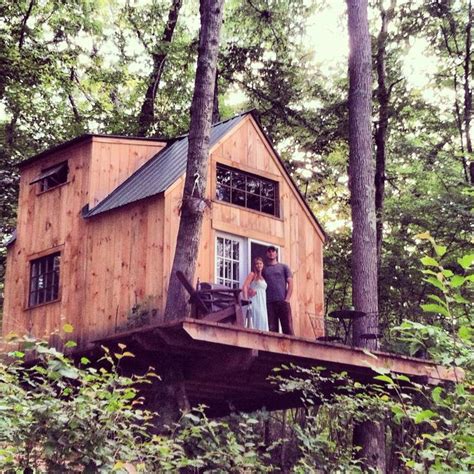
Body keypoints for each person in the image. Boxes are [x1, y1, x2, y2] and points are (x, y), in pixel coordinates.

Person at [262, 246, 294, 335]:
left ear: (276, 253)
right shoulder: (264, 269)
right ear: (266, 254)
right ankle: (273, 349)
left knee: (288, 328)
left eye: (273, 251)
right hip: (269, 303)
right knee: (272, 329)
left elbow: (290, 282)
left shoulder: (284, 267)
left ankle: (291, 348)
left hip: (282, 301)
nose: (271, 253)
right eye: (269, 251)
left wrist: (287, 299)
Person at [242, 257, 269, 331]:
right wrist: (246, 299)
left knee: (263, 319)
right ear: (254, 265)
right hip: (255, 301)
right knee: (256, 319)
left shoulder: (263, 277)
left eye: (260, 263)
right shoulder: (252, 274)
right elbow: (244, 286)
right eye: (257, 264)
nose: (259, 265)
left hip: (262, 303)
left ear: (263, 265)